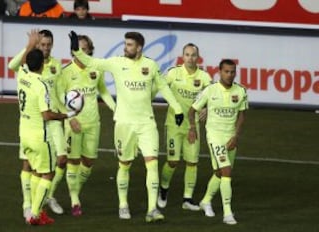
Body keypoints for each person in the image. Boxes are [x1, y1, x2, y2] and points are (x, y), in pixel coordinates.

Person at [69, 30, 184, 222]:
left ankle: (152, 209)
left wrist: (178, 108)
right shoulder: (116, 63)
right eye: (125, 44)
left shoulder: (150, 65)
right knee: (124, 165)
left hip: (147, 123)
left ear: (139, 47)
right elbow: (93, 62)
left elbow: (163, 86)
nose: (125, 47)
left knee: (152, 164)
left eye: (129, 45)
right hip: (124, 124)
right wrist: (76, 50)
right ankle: (123, 204)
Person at [8, 29, 68, 217]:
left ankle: (42, 201)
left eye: (49, 44)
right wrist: (65, 116)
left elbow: (59, 92)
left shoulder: (27, 73)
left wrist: (67, 112)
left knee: (60, 160)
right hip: (41, 126)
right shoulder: (37, 81)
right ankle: (32, 208)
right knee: (34, 167)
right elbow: (46, 114)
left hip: (37, 126)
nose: (46, 48)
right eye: (42, 44)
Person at [17, 48, 78, 225]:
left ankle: (37, 210)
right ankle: (34, 214)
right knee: (48, 174)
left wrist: (29, 44)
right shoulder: (40, 85)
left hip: (24, 134)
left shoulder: (22, 75)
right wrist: (66, 115)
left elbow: (19, 63)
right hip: (40, 137)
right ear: (43, 64)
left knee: (36, 172)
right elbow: (47, 115)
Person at [56, 34, 115, 216]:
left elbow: (103, 91)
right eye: (78, 48)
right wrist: (70, 118)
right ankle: (75, 200)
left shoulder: (96, 68)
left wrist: (116, 109)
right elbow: (59, 98)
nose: (80, 52)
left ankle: (74, 190)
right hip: (74, 124)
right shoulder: (65, 72)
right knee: (73, 161)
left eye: (84, 48)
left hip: (93, 123)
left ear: (90, 50)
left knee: (88, 163)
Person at [188, 59, 248, 225]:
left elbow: (242, 115)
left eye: (232, 72)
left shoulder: (241, 91)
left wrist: (236, 136)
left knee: (220, 173)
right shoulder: (210, 90)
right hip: (214, 136)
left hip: (230, 137)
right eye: (226, 71)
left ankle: (205, 201)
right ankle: (228, 213)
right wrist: (192, 127)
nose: (229, 75)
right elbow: (192, 110)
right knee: (227, 171)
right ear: (219, 72)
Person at [157, 43, 212, 211]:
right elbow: (160, 86)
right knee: (172, 161)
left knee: (192, 162)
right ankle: (163, 189)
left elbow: (213, 95)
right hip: (174, 124)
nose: (190, 58)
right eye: (187, 54)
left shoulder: (204, 77)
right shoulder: (173, 73)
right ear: (183, 56)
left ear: (198, 57)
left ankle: (187, 199)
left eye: (193, 55)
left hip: (192, 127)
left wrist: (207, 108)